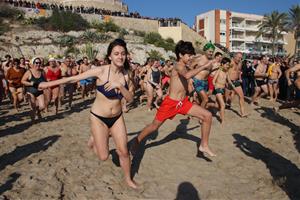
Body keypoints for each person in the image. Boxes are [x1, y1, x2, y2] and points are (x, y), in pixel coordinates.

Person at [39, 39, 137, 189]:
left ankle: (128, 179)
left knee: (123, 151)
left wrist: (119, 86)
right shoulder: (101, 71)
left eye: (123, 54)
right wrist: (48, 84)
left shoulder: (126, 74)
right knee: (103, 157)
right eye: (116, 53)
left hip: (117, 118)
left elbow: (130, 98)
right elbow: (74, 78)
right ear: (110, 56)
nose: (120, 57)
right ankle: (95, 137)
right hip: (99, 117)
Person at [129, 40, 216, 158]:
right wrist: (204, 66)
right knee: (154, 126)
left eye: (191, 55)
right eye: (188, 55)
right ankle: (137, 140)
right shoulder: (178, 65)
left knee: (207, 116)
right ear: (180, 55)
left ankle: (204, 145)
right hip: (170, 103)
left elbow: (188, 75)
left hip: (182, 103)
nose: (190, 57)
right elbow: (187, 75)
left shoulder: (185, 65)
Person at [190, 42, 215, 108]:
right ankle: (201, 116)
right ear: (205, 51)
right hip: (197, 81)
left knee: (200, 100)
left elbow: (209, 73)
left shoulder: (211, 61)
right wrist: (190, 79)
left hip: (205, 83)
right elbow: (190, 67)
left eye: (212, 52)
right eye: (210, 51)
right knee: (206, 99)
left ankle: (194, 111)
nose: (211, 53)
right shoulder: (199, 58)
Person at [21, 57, 46, 122]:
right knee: (33, 107)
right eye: (36, 63)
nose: (38, 64)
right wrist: (31, 84)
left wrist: (45, 86)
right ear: (33, 63)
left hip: (40, 92)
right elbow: (22, 81)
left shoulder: (42, 71)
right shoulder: (29, 72)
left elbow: (45, 81)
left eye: (39, 63)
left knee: (42, 106)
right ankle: (33, 121)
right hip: (30, 91)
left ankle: (38, 112)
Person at [212, 57, 235, 124]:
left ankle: (208, 105)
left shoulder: (226, 72)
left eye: (228, 65)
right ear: (222, 64)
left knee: (217, 105)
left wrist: (233, 86)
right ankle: (222, 120)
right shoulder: (219, 71)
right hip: (217, 89)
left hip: (222, 90)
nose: (228, 66)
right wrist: (215, 87)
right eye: (226, 64)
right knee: (223, 105)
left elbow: (229, 81)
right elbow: (214, 80)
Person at [225, 52, 247, 117]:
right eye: (238, 57)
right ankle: (224, 104)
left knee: (241, 96)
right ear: (234, 57)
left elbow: (239, 71)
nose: (239, 59)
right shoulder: (231, 63)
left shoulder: (240, 63)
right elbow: (223, 70)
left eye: (241, 58)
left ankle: (242, 113)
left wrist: (240, 78)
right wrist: (226, 81)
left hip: (236, 82)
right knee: (226, 98)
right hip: (228, 81)